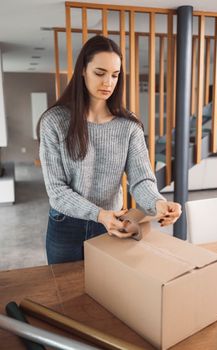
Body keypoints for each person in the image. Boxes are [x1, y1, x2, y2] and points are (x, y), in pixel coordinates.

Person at [38, 35, 182, 265]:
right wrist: (99, 214)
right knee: (63, 293)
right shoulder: (54, 121)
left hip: (112, 224)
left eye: (115, 75)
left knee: (107, 292)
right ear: (83, 70)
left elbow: (141, 179)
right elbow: (56, 190)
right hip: (66, 224)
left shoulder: (129, 125)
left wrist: (157, 203)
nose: (108, 82)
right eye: (100, 72)